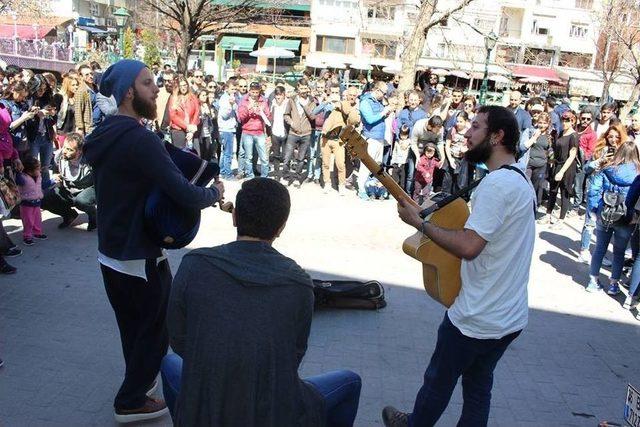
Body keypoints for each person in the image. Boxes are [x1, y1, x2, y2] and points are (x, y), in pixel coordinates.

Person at [83, 60, 224, 423]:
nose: (157, 88)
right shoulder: (140, 139)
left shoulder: (104, 133)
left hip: (111, 252)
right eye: (148, 83)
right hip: (138, 253)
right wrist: (214, 193)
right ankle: (130, 400)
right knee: (155, 331)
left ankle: (140, 387)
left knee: (133, 328)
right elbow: (184, 193)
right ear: (129, 92)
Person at [161, 177, 361, 426]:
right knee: (350, 382)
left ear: (235, 218)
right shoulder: (298, 283)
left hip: (205, 403)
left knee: (170, 364)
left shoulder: (194, 264)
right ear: (281, 227)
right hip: (271, 409)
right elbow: (293, 356)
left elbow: (178, 340)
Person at [389, 105, 536, 427]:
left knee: (437, 384)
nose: (467, 133)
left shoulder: (496, 186)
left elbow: (470, 247)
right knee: (478, 388)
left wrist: (421, 225)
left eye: (476, 127)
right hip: (508, 316)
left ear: (497, 136)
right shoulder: (518, 180)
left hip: (476, 317)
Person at [586, 140, 640, 295]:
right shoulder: (637, 173)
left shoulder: (608, 169)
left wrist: (595, 209)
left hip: (605, 213)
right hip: (626, 217)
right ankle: (614, 285)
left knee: (599, 249)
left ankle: (593, 281)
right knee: (619, 252)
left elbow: (593, 191)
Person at [577, 124, 627, 264]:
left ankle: (600, 253)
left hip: (612, 194)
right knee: (590, 222)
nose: (613, 139)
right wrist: (598, 162)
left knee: (605, 225)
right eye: (610, 136)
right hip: (595, 191)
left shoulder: (624, 153)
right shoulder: (600, 150)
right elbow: (586, 168)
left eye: (617, 137)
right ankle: (584, 251)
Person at [42, 132, 96, 230]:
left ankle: (94, 218)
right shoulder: (59, 157)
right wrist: (56, 175)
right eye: (65, 147)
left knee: (81, 201)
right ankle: (69, 215)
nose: (65, 151)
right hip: (68, 188)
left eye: (70, 150)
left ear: (79, 151)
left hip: (87, 188)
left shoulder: (90, 159)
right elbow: (55, 169)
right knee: (45, 198)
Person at [538, 111, 579, 229]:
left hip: (567, 167)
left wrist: (562, 171)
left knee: (565, 193)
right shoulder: (561, 133)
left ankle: (561, 219)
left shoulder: (574, 136)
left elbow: (572, 156)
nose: (565, 123)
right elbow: (556, 150)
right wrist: (552, 161)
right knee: (553, 191)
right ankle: (548, 215)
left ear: (573, 121)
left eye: (568, 120)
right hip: (557, 164)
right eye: (563, 120)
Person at [357, 80, 391, 200]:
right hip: (370, 138)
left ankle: (372, 189)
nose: (385, 95)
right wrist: (383, 113)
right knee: (366, 166)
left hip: (379, 138)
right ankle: (361, 189)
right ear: (377, 90)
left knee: (377, 165)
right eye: (384, 93)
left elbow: (378, 117)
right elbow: (370, 119)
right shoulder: (365, 102)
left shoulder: (379, 101)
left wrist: (385, 114)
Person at [283, 78, 317, 187]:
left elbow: (312, 116)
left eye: (305, 88)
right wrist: (291, 123)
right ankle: (286, 177)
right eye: (301, 88)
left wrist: (304, 105)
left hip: (306, 133)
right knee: (287, 156)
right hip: (293, 132)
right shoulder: (292, 99)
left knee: (301, 158)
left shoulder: (312, 100)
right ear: (298, 88)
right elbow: (286, 114)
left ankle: (297, 177)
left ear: (308, 88)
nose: (303, 91)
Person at [237, 81, 272, 179]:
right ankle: (250, 176)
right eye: (253, 92)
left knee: (264, 157)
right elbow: (241, 118)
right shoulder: (244, 101)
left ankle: (264, 176)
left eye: (257, 92)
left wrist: (262, 112)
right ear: (250, 91)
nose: (255, 95)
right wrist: (248, 108)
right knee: (249, 156)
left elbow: (269, 117)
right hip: (247, 132)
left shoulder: (263, 101)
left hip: (259, 131)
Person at [15, 157, 47, 246]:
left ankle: (37, 232)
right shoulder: (22, 178)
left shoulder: (38, 176)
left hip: (37, 202)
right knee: (28, 221)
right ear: (29, 171)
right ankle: (27, 236)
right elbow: (17, 180)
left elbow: (42, 185)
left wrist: (52, 181)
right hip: (26, 204)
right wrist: (18, 171)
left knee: (37, 219)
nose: (39, 170)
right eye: (38, 168)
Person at [522, 111, 552, 207]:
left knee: (537, 187)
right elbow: (523, 146)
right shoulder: (531, 131)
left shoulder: (550, 135)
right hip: (529, 162)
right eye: (540, 122)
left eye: (544, 123)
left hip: (541, 164)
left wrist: (551, 158)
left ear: (548, 124)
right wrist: (535, 136)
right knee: (525, 184)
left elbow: (550, 149)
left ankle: (534, 206)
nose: (542, 125)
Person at [573, 109, 598, 212]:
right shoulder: (575, 129)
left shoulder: (592, 134)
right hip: (571, 159)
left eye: (588, 119)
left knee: (578, 185)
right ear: (580, 118)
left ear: (591, 120)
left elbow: (590, 151)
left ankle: (576, 206)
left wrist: (581, 159)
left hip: (582, 162)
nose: (585, 121)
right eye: (583, 118)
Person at [168, 77, 200, 149]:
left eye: (185, 85)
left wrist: (191, 130)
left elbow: (197, 112)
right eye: (181, 86)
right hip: (178, 129)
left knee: (196, 153)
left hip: (192, 129)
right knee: (180, 153)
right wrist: (186, 126)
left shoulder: (193, 97)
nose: (183, 88)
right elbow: (173, 116)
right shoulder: (174, 98)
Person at [217, 79, 238, 179]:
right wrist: (230, 105)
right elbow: (224, 115)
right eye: (232, 89)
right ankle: (227, 173)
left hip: (230, 127)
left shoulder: (232, 97)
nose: (234, 91)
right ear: (227, 88)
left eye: (235, 89)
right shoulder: (225, 99)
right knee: (228, 152)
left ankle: (221, 170)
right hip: (226, 128)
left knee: (224, 151)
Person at [270, 86, 288, 181]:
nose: (278, 97)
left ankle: (285, 173)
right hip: (275, 132)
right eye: (277, 95)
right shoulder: (273, 104)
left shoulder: (288, 103)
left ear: (284, 95)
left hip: (285, 132)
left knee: (286, 155)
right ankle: (277, 174)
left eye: (280, 95)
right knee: (276, 155)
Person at [390, 125, 412, 190]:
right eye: (402, 135)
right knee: (394, 179)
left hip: (404, 164)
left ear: (408, 135)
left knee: (403, 181)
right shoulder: (397, 142)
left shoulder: (409, 142)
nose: (403, 137)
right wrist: (392, 162)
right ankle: (393, 191)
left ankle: (401, 192)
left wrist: (407, 143)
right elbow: (394, 152)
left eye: (405, 135)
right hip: (396, 163)